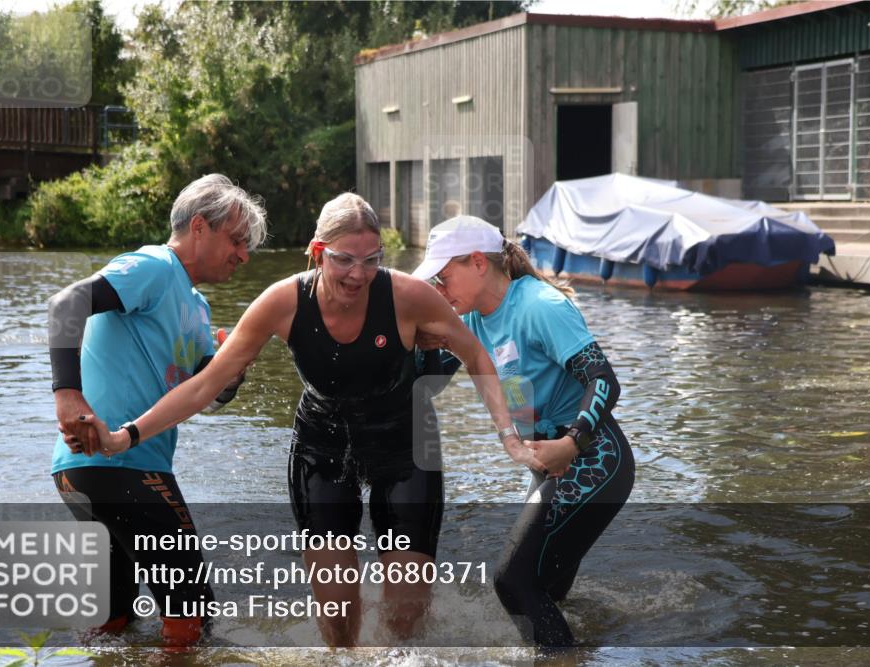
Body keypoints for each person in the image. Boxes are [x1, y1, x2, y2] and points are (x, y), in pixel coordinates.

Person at [76, 193, 541, 647]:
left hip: (405, 450)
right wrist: (125, 436)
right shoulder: (282, 302)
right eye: (343, 260)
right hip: (322, 451)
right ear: (318, 254)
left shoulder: (409, 295)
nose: (358, 275)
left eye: (371, 260)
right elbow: (203, 385)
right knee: (338, 625)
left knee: (405, 623)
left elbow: (476, 353)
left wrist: (511, 437)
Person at [49, 174, 267, 646]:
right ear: (198, 228)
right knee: (194, 617)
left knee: (114, 620)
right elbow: (67, 303)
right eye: (236, 240)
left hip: (83, 472)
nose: (243, 255)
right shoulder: (154, 266)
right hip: (124, 465)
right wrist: (67, 393)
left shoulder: (198, 307)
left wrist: (232, 370)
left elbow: (205, 394)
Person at [411, 215, 635, 649]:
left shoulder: (538, 306)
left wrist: (571, 444)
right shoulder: (472, 318)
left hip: (592, 459)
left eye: (444, 275)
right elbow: (430, 382)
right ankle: (579, 651)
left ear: (478, 263)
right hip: (547, 464)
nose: (438, 288)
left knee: (511, 581)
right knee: (542, 589)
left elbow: (604, 380)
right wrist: (419, 345)